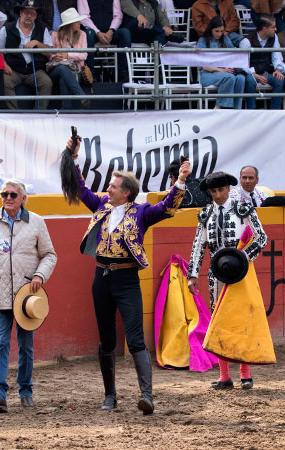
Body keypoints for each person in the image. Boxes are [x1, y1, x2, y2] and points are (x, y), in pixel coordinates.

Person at [61, 134, 190, 415]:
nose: (108, 188)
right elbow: (80, 188)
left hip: (127, 279)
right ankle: (110, 396)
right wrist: (72, 157)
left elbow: (168, 207)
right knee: (106, 339)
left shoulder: (141, 212)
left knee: (134, 340)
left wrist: (179, 181)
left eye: (113, 186)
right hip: (101, 279)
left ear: (126, 192)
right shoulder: (100, 206)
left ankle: (147, 395)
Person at [0, 179, 57, 412]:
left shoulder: (36, 223)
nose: (7, 198)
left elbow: (50, 255)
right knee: (0, 342)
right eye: (4, 194)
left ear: (23, 198)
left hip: (27, 294)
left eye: (12, 195)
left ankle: (25, 390)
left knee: (26, 345)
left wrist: (40, 275)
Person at [187, 171, 267, 389]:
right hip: (216, 274)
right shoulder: (205, 214)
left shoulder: (243, 209)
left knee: (241, 320)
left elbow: (262, 238)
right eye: (213, 191)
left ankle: (245, 373)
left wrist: (243, 258)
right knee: (218, 320)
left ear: (229, 189)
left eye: (221, 190)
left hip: (240, 273)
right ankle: (224, 376)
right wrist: (193, 275)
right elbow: (198, 246)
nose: (218, 195)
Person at [0, 0, 54, 110]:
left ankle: (38, 114)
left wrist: (37, 43)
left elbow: (49, 51)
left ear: (36, 16)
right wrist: (4, 65)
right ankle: (15, 115)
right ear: (20, 13)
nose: (29, 16)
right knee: (4, 82)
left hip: (35, 70)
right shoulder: (7, 28)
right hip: (13, 70)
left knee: (46, 83)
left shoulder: (42, 28)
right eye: (26, 12)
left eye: (32, 14)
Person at [197, 16, 247, 109]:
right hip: (208, 73)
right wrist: (222, 70)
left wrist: (231, 67)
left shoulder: (226, 39)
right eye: (217, 31)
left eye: (222, 31)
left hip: (225, 71)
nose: (219, 34)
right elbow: (203, 66)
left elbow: (233, 56)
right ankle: (220, 107)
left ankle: (236, 110)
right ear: (211, 29)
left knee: (241, 78)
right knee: (229, 77)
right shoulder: (203, 41)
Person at [78, 0, 131, 82]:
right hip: (93, 32)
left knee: (125, 33)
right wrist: (98, 32)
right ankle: (90, 74)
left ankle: (123, 74)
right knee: (88, 34)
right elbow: (84, 17)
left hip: (110, 32)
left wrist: (111, 30)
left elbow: (118, 15)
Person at [240, 14, 285, 110]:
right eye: (273, 27)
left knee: (279, 79)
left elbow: (277, 56)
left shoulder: (274, 38)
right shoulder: (246, 41)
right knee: (250, 80)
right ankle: (251, 111)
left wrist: (277, 69)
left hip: (266, 72)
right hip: (251, 73)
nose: (276, 29)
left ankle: (275, 111)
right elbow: (242, 63)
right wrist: (254, 74)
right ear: (264, 28)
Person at [48, 8, 90, 110]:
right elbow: (49, 53)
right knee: (62, 68)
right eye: (77, 21)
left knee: (64, 79)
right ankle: (81, 95)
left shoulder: (82, 34)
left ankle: (66, 109)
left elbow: (84, 55)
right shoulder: (55, 35)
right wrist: (54, 56)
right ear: (70, 24)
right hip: (56, 68)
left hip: (76, 69)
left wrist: (67, 55)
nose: (79, 23)